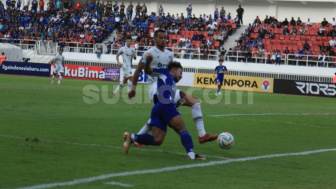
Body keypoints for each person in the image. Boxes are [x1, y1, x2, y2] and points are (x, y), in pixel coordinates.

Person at [128, 30, 218, 147]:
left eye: (165, 38)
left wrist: (175, 84)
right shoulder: (149, 53)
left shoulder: (169, 54)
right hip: (155, 88)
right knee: (165, 114)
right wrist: (133, 89)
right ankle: (136, 138)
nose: (163, 40)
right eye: (160, 38)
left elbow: (170, 73)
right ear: (154, 39)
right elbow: (138, 70)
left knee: (194, 102)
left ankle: (202, 135)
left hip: (169, 86)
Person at [123, 61, 205, 160]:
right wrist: (147, 61)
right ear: (173, 70)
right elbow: (149, 70)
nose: (181, 75)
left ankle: (132, 137)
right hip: (165, 104)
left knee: (158, 140)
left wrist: (181, 101)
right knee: (182, 128)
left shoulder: (173, 86)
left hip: (158, 108)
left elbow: (175, 104)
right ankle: (192, 155)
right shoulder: (165, 72)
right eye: (180, 72)